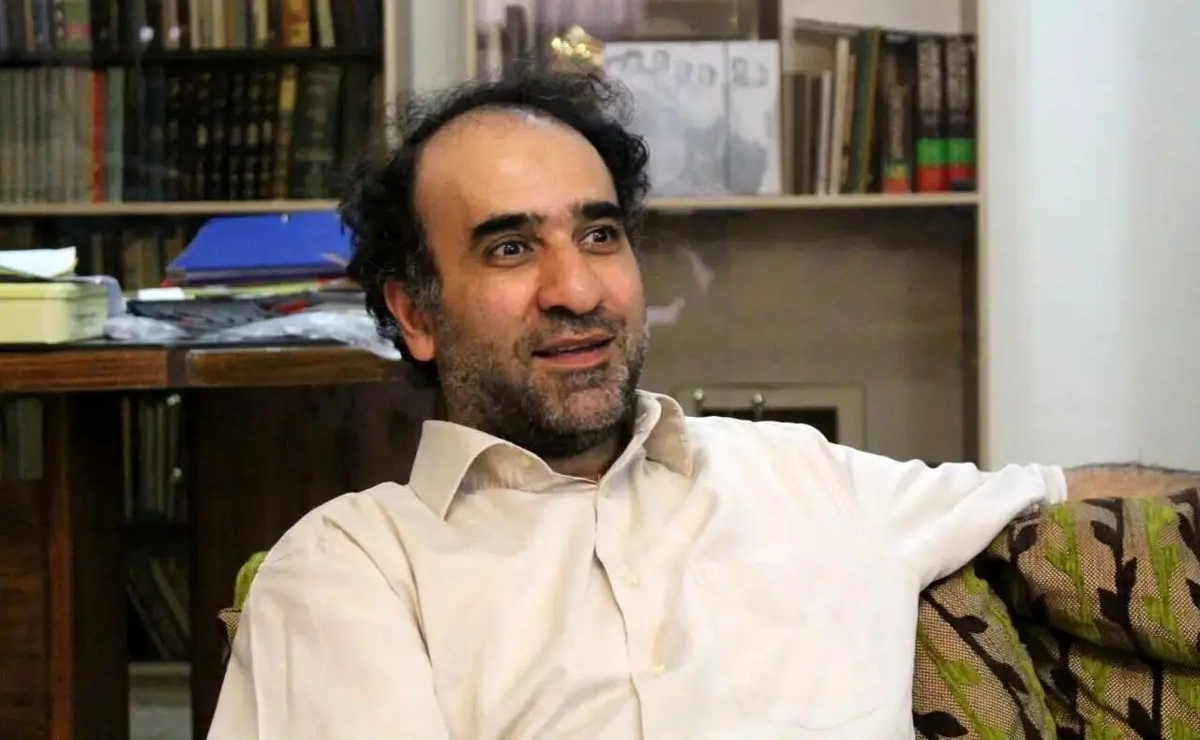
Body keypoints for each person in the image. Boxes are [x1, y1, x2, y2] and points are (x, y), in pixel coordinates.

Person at [207, 70, 1200, 739]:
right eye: (511, 248)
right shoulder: (353, 567)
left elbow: (1062, 490)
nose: (577, 289)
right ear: (415, 313)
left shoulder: (807, 475)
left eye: (600, 235)